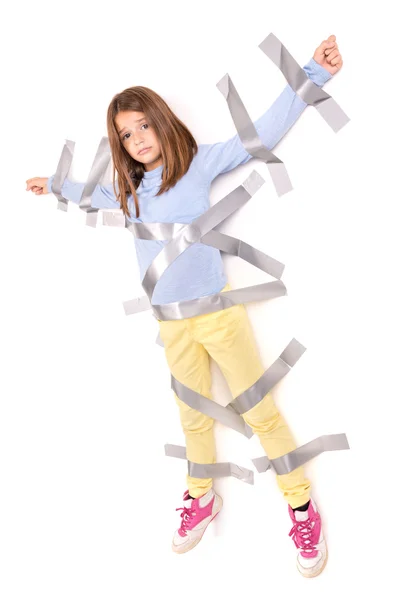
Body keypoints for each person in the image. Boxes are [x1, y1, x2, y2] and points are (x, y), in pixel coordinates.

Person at [26, 35, 343, 578]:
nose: (136, 138)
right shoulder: (127, 193)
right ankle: (201, 494)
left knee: (257, 410)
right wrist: (53, 183)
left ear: (161, 121)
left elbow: (260, 135)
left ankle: (299, 505)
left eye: (143, 125)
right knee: (192, 416)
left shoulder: (197, 166)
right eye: (125, 134)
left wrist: (314, 71)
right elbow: (86, 192)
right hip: (171, 328)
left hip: (218, 318)